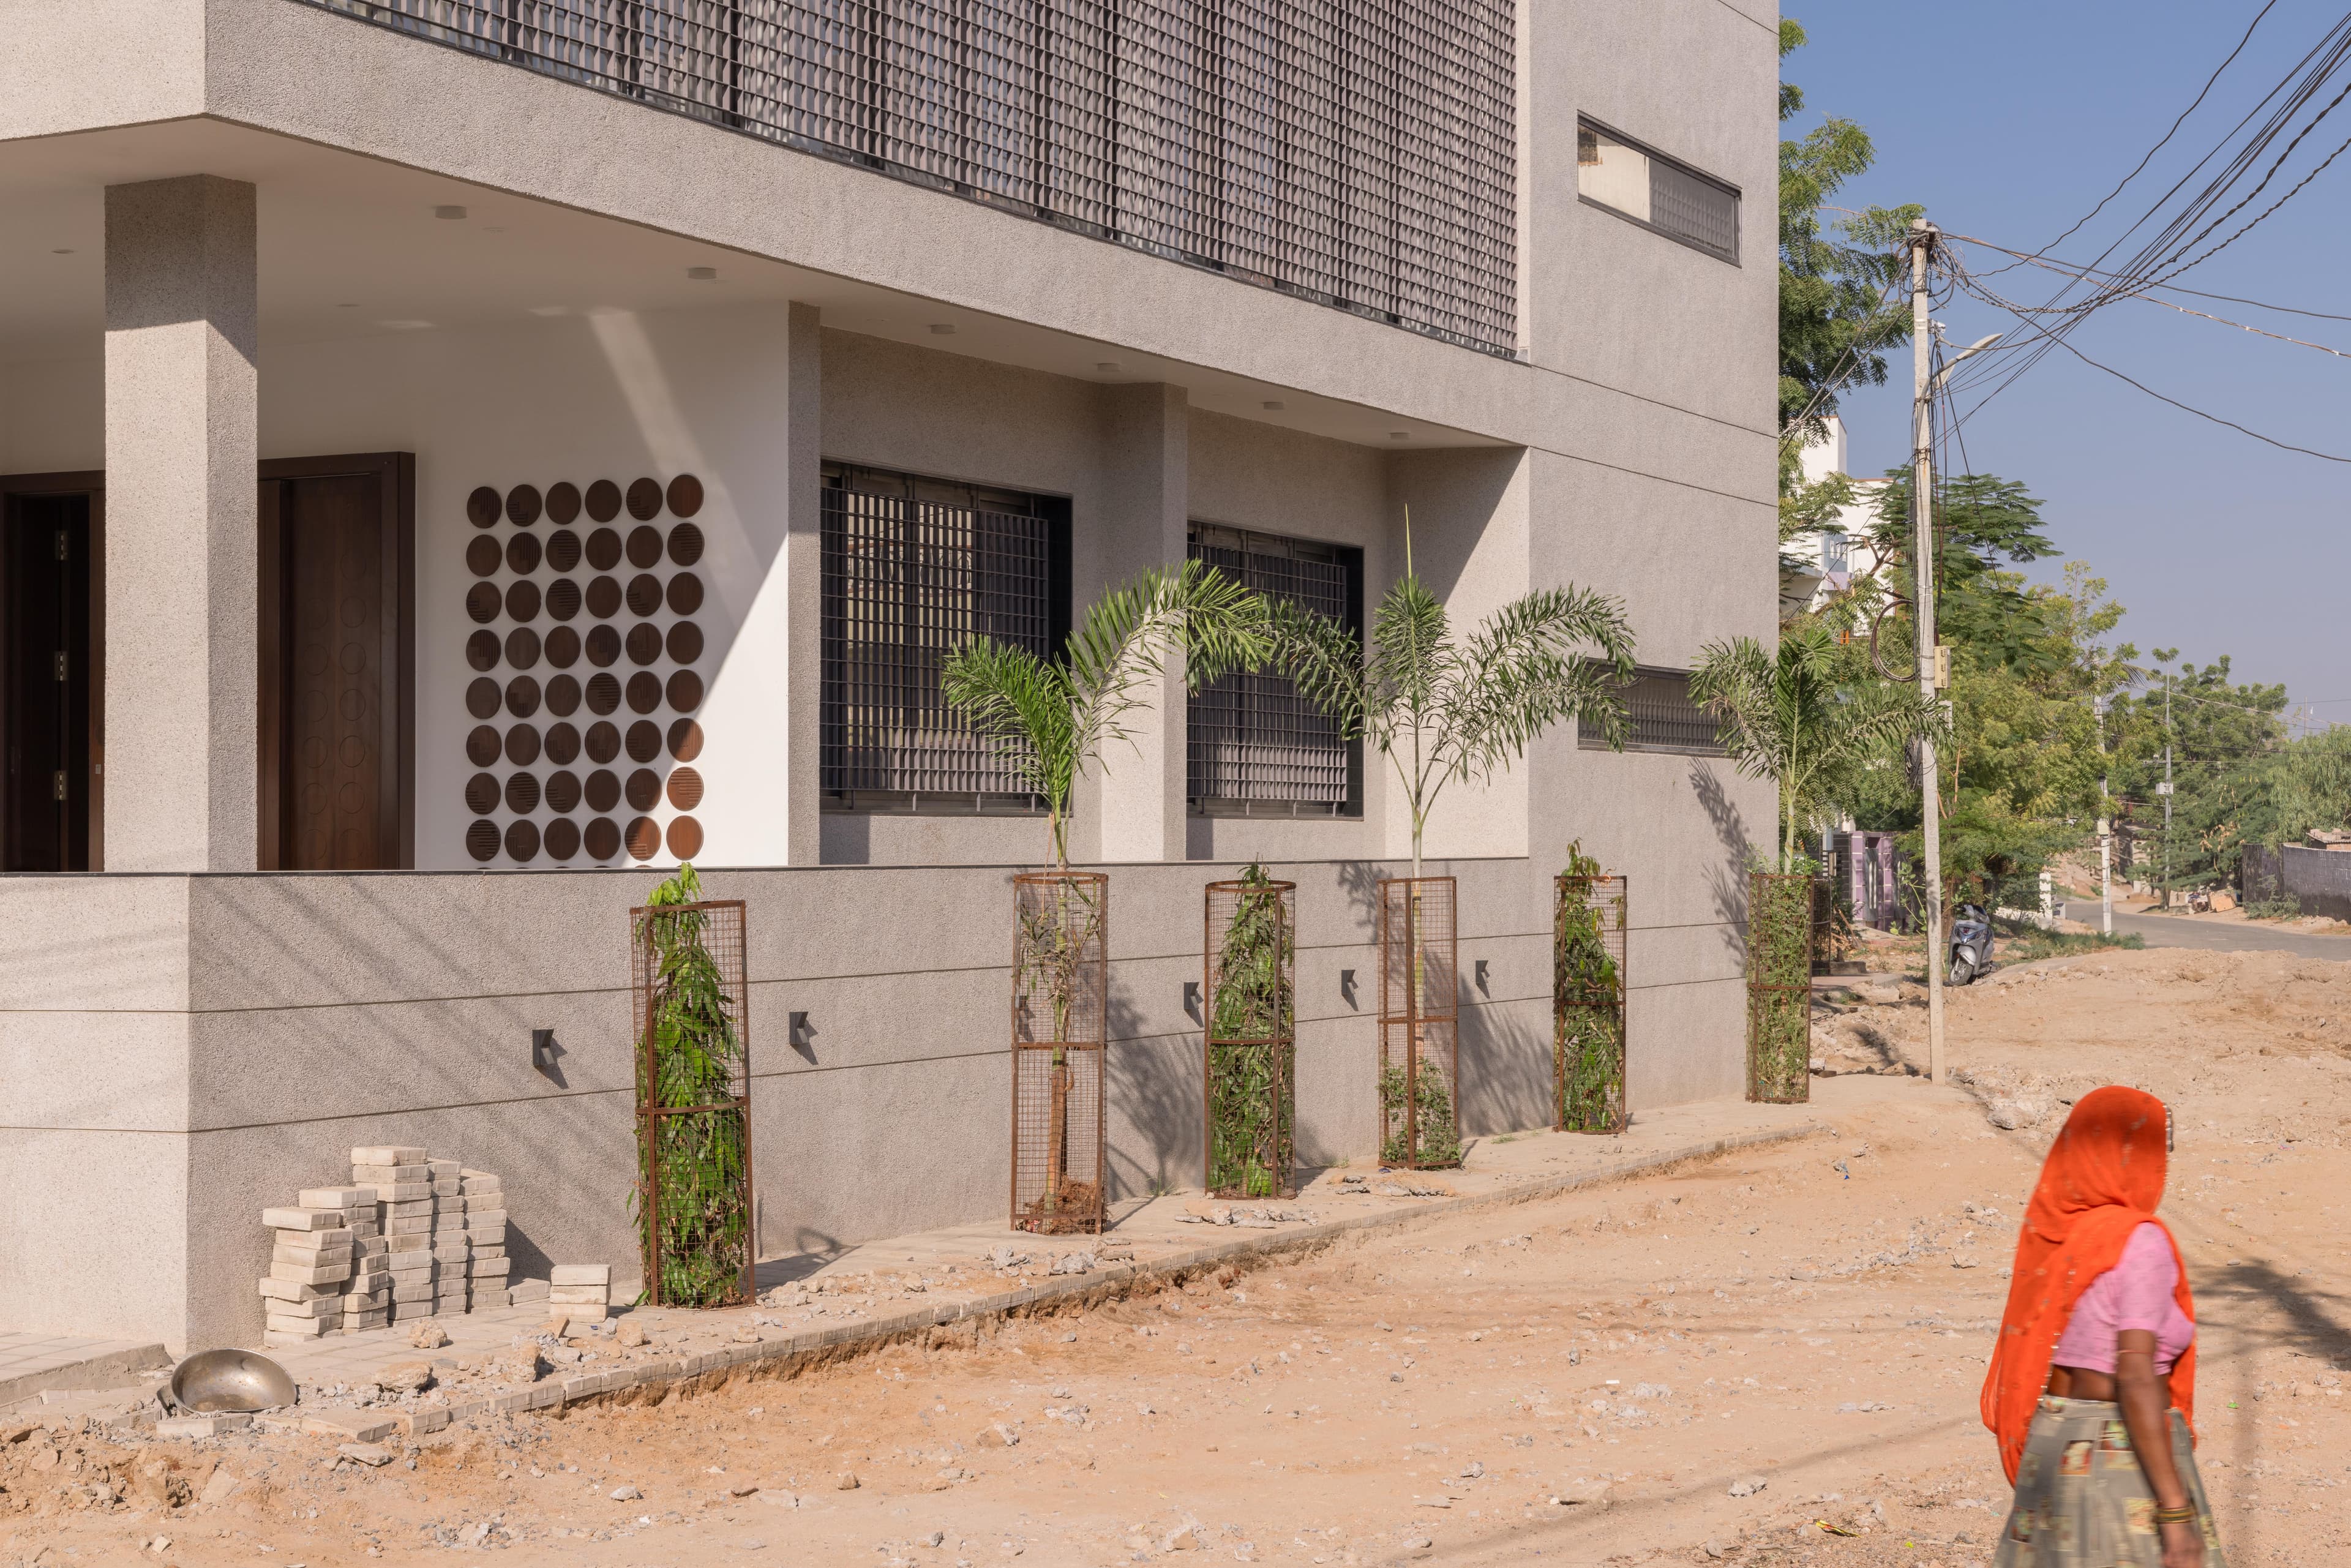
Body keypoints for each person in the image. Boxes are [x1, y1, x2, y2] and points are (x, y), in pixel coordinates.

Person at [1984, 1086, 2221, 1567]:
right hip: (2122, 1457)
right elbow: (2134, 1375)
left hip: (2053, 1456)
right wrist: (2175, 1512)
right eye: (2159, 1148)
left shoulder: (2065, 1237)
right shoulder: (2137, 1240)